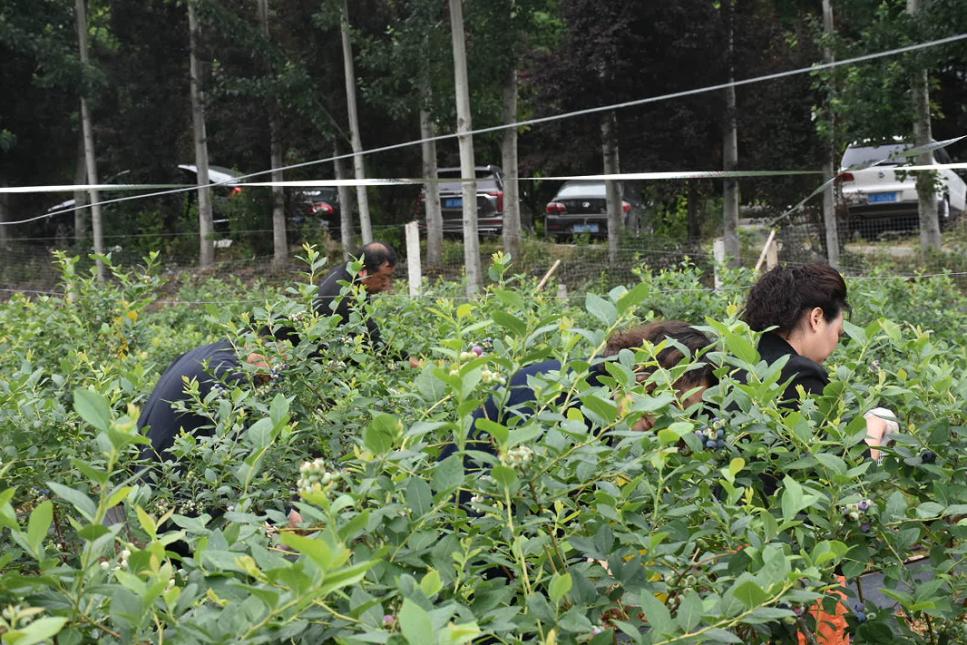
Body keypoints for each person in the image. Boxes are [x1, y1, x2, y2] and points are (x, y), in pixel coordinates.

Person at [441, 320, 716, 470]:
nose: (676, 421)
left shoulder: (607, 416)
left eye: (690, 412)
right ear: (642, 377)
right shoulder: (550, 398)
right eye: (676, 401)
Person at [741, 263, 896, 458]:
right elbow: (850, 463)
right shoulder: (800, 374)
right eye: (838, 334)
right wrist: (877, 424)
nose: (836, 344)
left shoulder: (738, 367)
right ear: (816, 318)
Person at [314, 241, 397, 349]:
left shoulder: (347, 271)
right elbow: (374, 344)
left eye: (390, 277)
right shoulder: (347, 297)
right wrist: (412, 362)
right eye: (382, 278)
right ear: (363, 272)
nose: (387, 285)